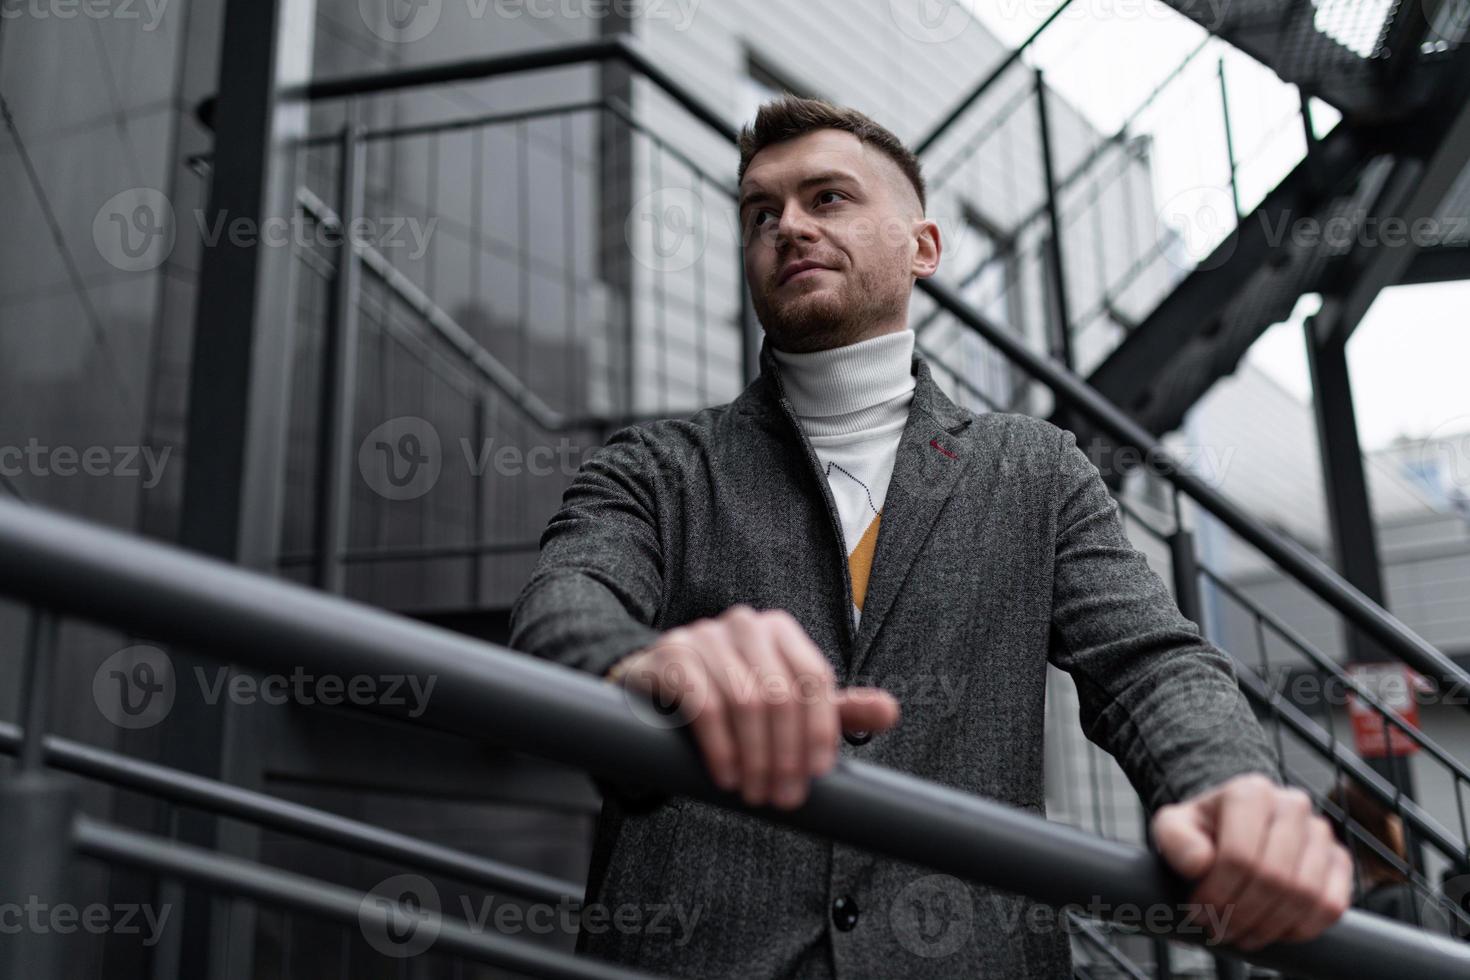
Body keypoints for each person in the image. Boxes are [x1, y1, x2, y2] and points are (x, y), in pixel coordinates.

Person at [509, 94, 1351, 979]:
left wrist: (1228, 783)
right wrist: (645, 666)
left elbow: (1150, 662)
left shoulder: (1035, 469)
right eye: (762, 212)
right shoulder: (656, 466)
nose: (788, 226)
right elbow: (564, 606)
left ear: (924, 248)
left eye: (828, 198)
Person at [1327, 778, 1458, 936]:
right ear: (1378, 827)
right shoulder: (1404, 903)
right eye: (1394, 817)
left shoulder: (1334, 904)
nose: (1400, 826)